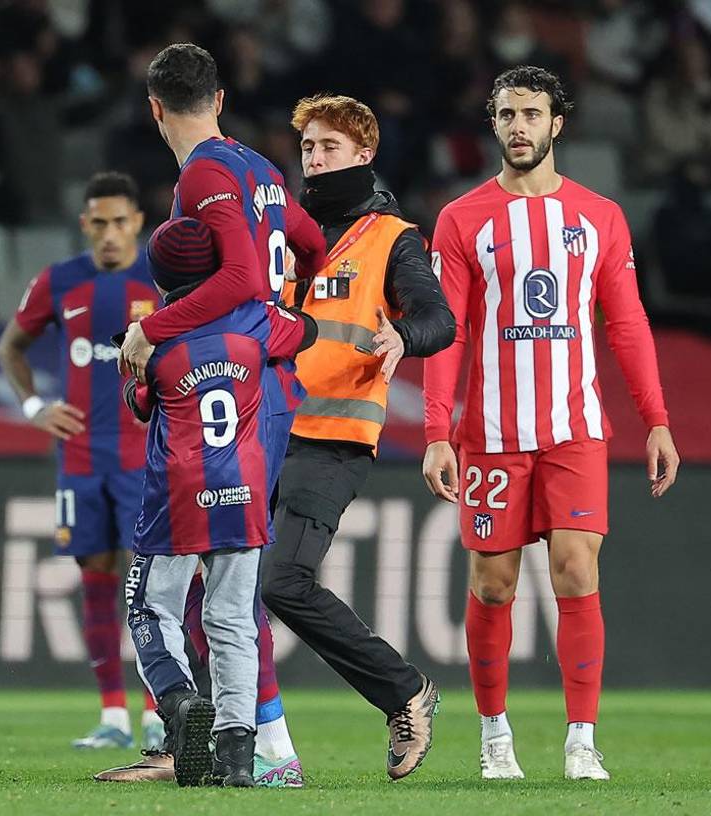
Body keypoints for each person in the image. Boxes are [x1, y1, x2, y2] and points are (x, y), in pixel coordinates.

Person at [421, 65, 680, 782]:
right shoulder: (461, 219)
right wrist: (437, 432)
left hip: (575, 429)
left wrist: (656, 419)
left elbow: (626, 324)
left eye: (532, 114)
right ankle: (495, 735)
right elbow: (448, 334)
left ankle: (581, 741)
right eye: (507, 115)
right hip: (493, 434)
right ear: (494, 123)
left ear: (556, 124)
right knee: (494, 585)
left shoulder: (600, 217)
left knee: (575, 568)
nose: (519, 127)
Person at [114, 42, 328, 787]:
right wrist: (286, 310)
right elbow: (311, 245)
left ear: (155, 108)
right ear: (221, 99)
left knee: (181, 584)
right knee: (232, 587)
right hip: (263, 374)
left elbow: (235, 275)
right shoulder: (260, 168)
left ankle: (251, 745)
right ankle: (248, 747)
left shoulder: (203, 173)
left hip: (217, 381)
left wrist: (153, 328)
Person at [268, 94, 453, 781]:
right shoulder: (282, 231)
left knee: (283, 583)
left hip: (334, 434)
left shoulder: (391, 237)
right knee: (220, 583)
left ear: (365, 153)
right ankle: (210, 732)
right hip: (263, 428)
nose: (315, 159)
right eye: (308, 148)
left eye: (330, 147)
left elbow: (439, 320)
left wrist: (402, 334)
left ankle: (404, 692)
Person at [0, 171, 164, 753]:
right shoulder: (60, 281)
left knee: (152, 585)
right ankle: (113, 715)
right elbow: (10, 347)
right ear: (84, 224)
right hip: (83, 456)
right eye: (99, 223)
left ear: (137, 222)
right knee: (96, 576)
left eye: (119, 222)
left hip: (146, 457)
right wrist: (35, 405)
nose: (109, 234)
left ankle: (158, 712)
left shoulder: (162, 278)